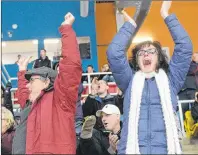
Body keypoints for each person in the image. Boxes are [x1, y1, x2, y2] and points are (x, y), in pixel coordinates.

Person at [107, 1, 193, 154]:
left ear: (159, 58)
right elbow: (114, 53)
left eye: (151, 51)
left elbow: (185, 46)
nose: (146, 54)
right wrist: (130, 26)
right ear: (137, 61)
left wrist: (166, 14)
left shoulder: (171, 80)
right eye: (141, 52)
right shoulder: (129, 82)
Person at [12, 12, 82, 154]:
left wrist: (66, 29)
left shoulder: (61, 99)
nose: (27, 85)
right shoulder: (30, 104)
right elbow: (23, 93)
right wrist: (21, 71)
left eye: (32, 80)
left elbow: (71, 66)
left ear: (46, 82)